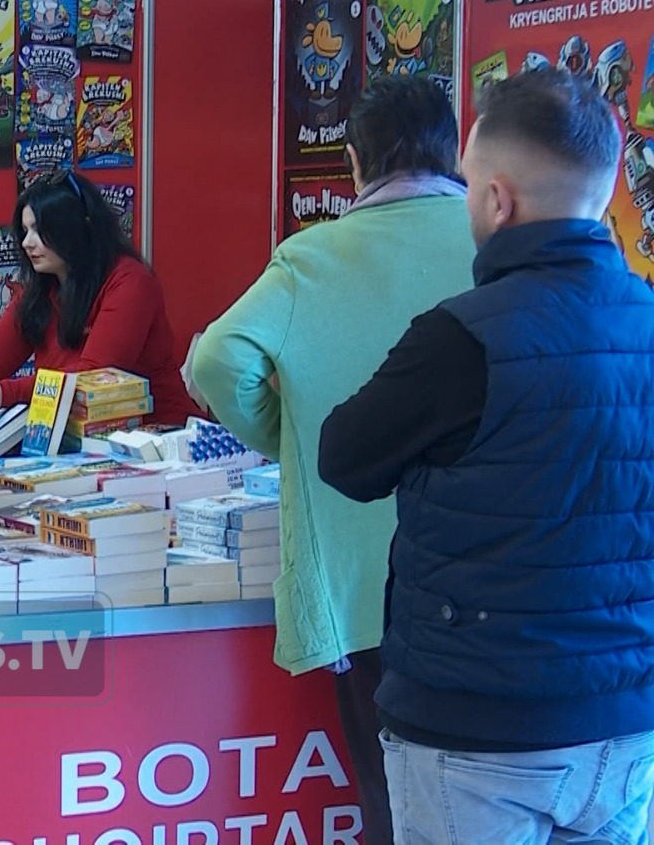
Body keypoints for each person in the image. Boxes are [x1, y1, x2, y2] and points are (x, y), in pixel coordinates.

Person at [319, 69, 654, 844]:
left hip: (476, 727)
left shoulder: (461, 338)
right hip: (625, 724)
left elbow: (345, 457)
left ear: (498, 200)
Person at [188, 76, 472, 843]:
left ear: (353, 163)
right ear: (456, 152)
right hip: (495, 572)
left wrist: (288, 436)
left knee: (393, 800)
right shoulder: (497, 240)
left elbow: (216, 360)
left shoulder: (311, 259)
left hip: (360, 579)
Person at [0, 170, 196, 428]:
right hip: (77, 440)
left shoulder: (129, 281)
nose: (27, 242)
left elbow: (95, 377)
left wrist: (5, 393)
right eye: (24, 231)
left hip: (159, 440)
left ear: (76, 229)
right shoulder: (40, 290)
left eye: (39, 230)